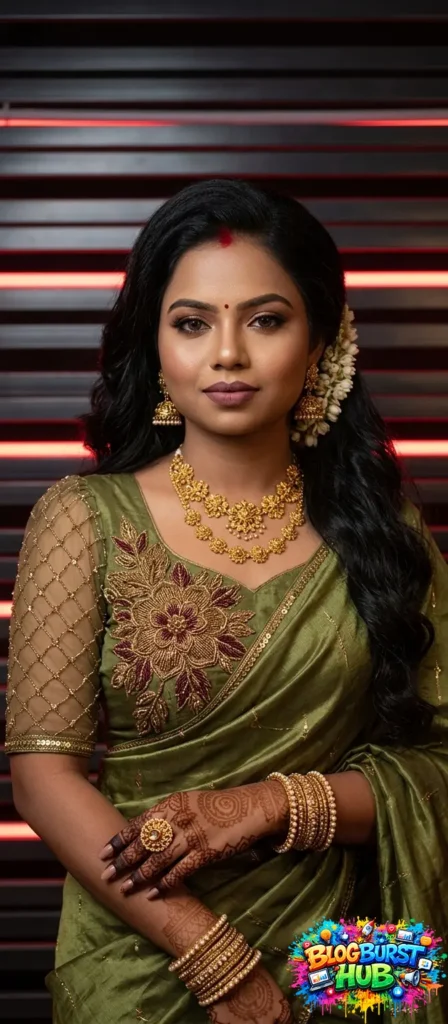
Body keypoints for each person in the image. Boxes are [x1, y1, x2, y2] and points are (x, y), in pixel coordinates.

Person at [5, 178, 448, 1024]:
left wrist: (273, 805)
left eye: (267, 319)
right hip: (145, 942)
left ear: (322, 342)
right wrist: (211, 953)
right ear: (158, 343)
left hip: (352, 943)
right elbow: (42, 780)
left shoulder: (383, 532)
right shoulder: (83, 520)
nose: (229, 354)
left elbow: (438, 763)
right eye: (193, 322)